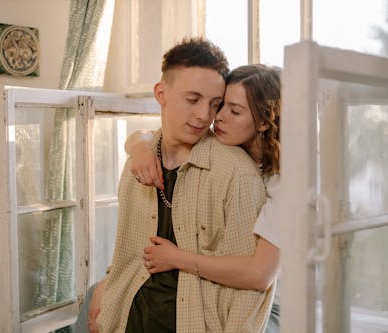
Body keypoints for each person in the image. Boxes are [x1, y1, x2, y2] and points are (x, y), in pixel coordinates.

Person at [89, 37, 272, 333]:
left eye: (215, 104)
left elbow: (251, 294)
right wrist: (108, 292)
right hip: (128, 319)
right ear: (161, 93)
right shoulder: (137, 163)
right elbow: (128, 249)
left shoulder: (237, 174)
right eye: (193, 99)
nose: (205, 115)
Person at [126, 64, 282, 332]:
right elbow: (151, 133)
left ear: (264, 122)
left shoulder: (281, 182)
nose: (216, 117)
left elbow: (260, 275)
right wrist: (138, 146)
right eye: (220, 106)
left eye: (234, 111)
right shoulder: (223, 152)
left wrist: (176, 258)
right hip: (214, 281)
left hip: (273, 302)